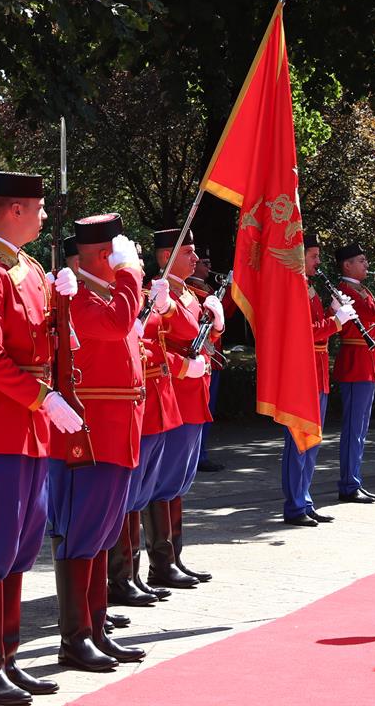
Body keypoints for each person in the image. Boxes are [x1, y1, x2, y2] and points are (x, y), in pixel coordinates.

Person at [0, 172, 81, 704]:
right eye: (38, 208)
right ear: (12, 210)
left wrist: (65, 312)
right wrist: (41, 398)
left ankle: (7, 656)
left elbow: (45, 341)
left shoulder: (29, 268)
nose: (45, 217)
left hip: (31, 430)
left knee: (20, 547)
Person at [50, 213, 146, 671]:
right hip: (95, 434)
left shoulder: (105, 294)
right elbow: (113, 327)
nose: (129, 257)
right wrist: (130, 275)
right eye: (121, 249)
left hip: (119, 431)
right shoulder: (80, 297)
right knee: (84, 535)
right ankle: (75, 636)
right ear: (106, 254)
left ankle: (97, 628)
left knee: (104, 535)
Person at [144, 228, 224, 585]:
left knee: (180, 482)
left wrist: (217, 324)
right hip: (173, 398)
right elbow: (159, 343)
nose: (195, 259)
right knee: (163, 482)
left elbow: (203, 340)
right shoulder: (155, 294)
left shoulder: (189, 293)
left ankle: (175, 554)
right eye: (187, 252)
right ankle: (161, 562)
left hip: (195, 398)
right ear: (165, 257)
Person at [108, 275, 193, 605]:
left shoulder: (145, 297)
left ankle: (137, 573)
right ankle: (122, 576)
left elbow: (183, 335)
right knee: (127, 496)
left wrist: (168, 306)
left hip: (158, 401)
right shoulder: (115, 301)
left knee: (142, 494)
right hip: (137, 400)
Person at [282, 234, 355, 527]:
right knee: (299, 441)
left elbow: (317, 325)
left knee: (312, 441)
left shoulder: (309, 287)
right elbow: (304, 331)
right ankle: (294, 504)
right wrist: (335, 322)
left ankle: (305, 499)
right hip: (302, 370)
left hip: (318, 369)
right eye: (313, 256)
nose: (318, 262)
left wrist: (333, 311)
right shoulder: (294, 287)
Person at [331, 243, 375, 503]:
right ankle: (349, 484)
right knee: (353, 429)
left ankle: (354, 481)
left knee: (360, 430)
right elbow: (374, 316)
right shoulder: (344, 291)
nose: (366, 265)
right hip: (355, 363)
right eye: (361, 261)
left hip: (366, 363)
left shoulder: (362, 289)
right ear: (347, 265)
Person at [186, 248, 225, 473]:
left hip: (212, 357)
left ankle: (201, 453)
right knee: (199, 411)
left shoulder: (207, 288)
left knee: (207, 410)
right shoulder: (193, 289)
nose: (208, 267)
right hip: (199, 357)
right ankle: (198, 455)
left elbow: (224, 315)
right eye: (204, 262)